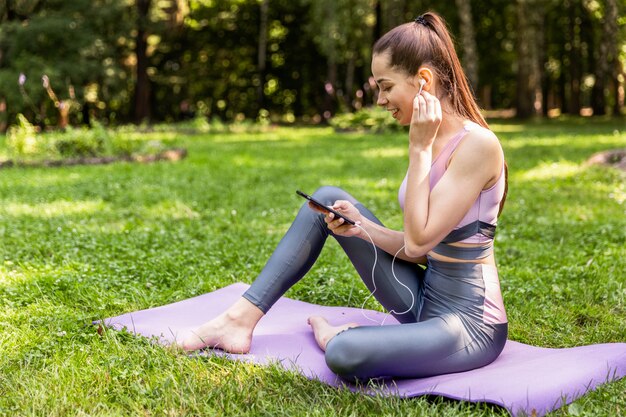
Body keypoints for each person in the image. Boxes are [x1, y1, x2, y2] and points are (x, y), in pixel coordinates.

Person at [180, 11, 509, 381]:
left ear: (423, 81)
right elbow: (426, 244)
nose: (380, 100)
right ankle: (237, 321)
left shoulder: (478, 146)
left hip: (468, 325)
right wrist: (361, 228)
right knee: (326, 198)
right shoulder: (428, 136)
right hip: (421, 298)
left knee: (344, 353)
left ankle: (337, 334)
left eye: (386, 86)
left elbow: (418, 246)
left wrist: (419, 150)